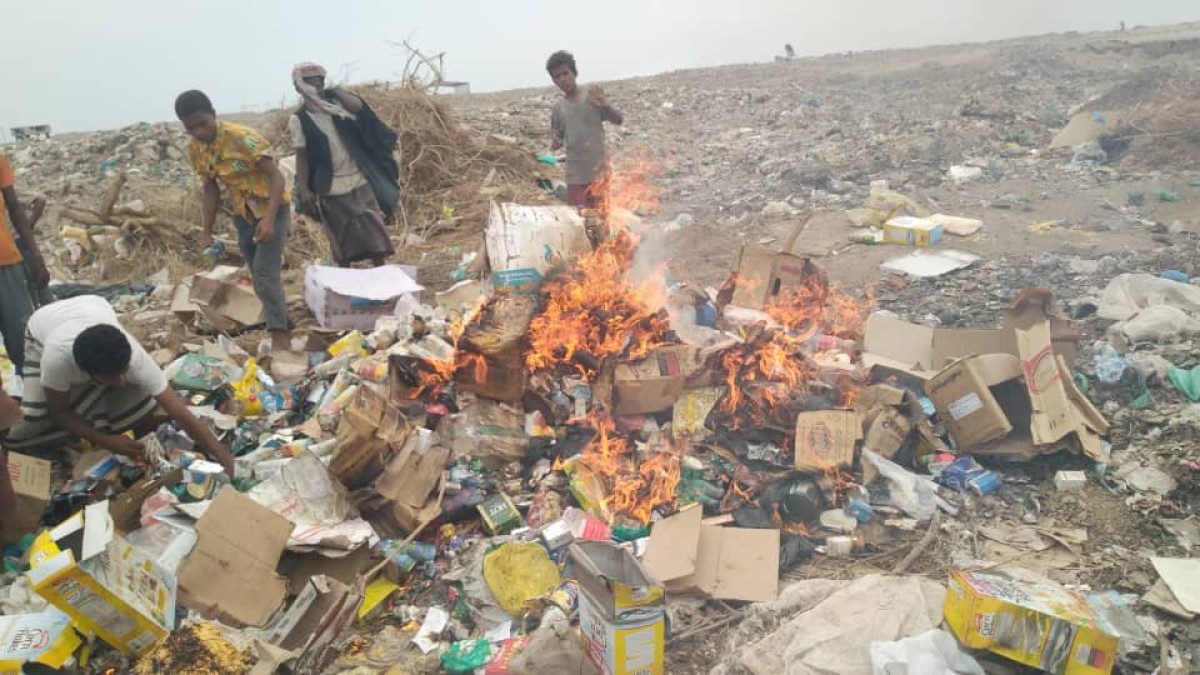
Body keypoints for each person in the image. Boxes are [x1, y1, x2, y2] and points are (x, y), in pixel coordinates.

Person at [2, 296, 235, 475]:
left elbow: (182, 415)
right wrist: (103, 440)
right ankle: (72, 440)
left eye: (124, 372)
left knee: (139, 406)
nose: (123, 380)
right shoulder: (57, 360)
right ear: (88, 373)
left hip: (91, 309)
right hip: (41, 331)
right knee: (28, 425)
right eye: (113, 377)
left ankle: (97, 419)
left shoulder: (132, 357)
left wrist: (226, 460)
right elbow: (60, 412)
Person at [175, 89, 292, 352]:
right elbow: (211, 188)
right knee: (256, 272)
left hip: (272, 208)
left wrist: (270, 220)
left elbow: (277, 178)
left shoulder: (243, 139)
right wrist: (207, 230)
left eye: (202, 124)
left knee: (264, 271)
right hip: (243, 216)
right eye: (190, 128)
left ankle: (279, 334)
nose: (198, 132)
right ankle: (285, 319)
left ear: (214, 114)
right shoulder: (196, 149)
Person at [289, 63, 399, 267]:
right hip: (330, 185)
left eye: (320, 82)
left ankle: (382, 273)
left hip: (357, 177)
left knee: (373, 227)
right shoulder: (299, 119)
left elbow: (359, 107)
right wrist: (304, 189)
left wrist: (334, 90)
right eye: (310, 83)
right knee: (341, 236)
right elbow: (301, 155)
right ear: (298, 88)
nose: (317, 87)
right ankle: (347, 279)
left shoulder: (338, 107)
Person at [546, 50, 623, 215]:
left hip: (598, 171)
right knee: (582, 219)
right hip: (575, 175)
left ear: (575, 72)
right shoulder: (558, 109)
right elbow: (557, 140)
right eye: (557, 77)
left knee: (602, 218)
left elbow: (618, 120)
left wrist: (605, 105)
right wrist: (554, 144)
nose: (562, 79)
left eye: (565, 73)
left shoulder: (592, 97)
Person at [0, 152, 50, 370]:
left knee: (23, 344)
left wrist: (35, 256)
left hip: (6, 263)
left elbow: (15, 208)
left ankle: (34, 400)